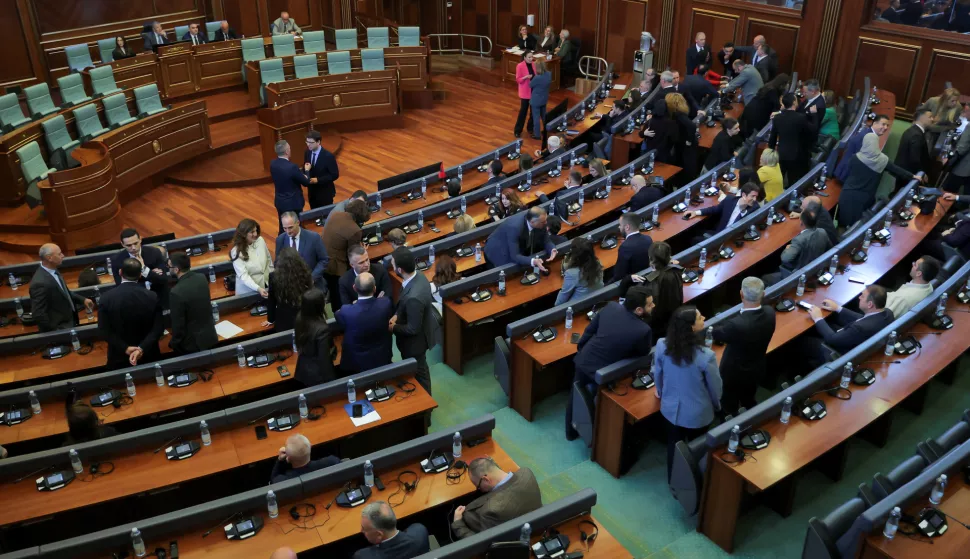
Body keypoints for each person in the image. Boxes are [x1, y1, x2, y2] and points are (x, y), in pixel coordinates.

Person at [566, 286, 654, 439]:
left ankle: (570, 432)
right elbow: (642, 353)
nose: (653, 306)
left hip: (584, 360)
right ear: (639, 310)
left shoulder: (611, 307)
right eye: (650, 304)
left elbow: (589, 330)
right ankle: (593, 436)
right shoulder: (643, 330)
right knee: (596, 403)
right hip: (606, 372)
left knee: (575, 397)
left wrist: (581, 349)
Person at [654, 306, 722, 480]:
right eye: (699, 317)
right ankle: (694, 483)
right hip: (697, 414)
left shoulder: (662, 345)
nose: (703, 317)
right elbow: (715, 387)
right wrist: (717, 405)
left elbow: (657, 373)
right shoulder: (706, 356)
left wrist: (660, 392)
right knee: (696, 450)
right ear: (691, 327)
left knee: (673, 446)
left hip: (670, 409)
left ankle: (672, 479)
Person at [712, 278, 775, 416]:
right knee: (749, 398)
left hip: (733, 375)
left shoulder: (736, 325)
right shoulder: (770, 313)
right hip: (757, 368)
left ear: (741, 294)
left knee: (728, 405)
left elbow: (717, 333)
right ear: (763, 294)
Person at [389, 248, 440, 393]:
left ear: (400, 270)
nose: (392, 266)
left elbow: (413, 328)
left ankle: (427, 404)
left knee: (420, 374)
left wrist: (393, 327)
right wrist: (397, 315)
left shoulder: (413, 297)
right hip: (421, 329)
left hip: (415, 344)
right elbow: (404, 304)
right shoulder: (419, 276)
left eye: (393, 264)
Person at [452, 457, 542, 539]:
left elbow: (482, 543)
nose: (479, 489)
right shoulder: (526, 472)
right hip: (538, 527)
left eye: (478, 486)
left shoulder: (490, 510)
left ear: (486, 479)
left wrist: (458, 523)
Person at [841, 133, 918, 228]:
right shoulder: (882, 160)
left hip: (847, 195)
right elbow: (898, 170)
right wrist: (913, 176)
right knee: (859, 227)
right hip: (865, 199)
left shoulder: (854, 158)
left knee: (845, 226)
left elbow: (849, 172)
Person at [804, 286, 894, 366]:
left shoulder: (859, 328)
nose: (859, 297)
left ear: (870, 304)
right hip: (852, 339)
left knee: (803, 341)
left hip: (839, 352)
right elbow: (862, 318)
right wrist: (838, 308)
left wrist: (818, 318)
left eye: (862, 296)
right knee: (829, 323)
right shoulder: (887, 314)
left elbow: (832, 339)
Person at [99, 258, 163, 368]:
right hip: (149, 354)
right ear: (140, 275)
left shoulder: (106, 298)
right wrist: (141, 348)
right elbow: (158, 328)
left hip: (119, 355)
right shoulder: (152, 296)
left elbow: (104, 330)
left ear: (120, 272)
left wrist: (125, 348)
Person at [336, 272, 394, 375]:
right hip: (382, 357)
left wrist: (353, 304)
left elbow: (338, 317)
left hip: (357, 363)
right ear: (374, 288)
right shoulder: (386, 303)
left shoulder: (346, 311)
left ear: (354, 288)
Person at [29, 244, 93, 332]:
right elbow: (38, 314)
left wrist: (83, 300)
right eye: (59, 254)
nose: (63, 256)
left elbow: (64, 292)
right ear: (49, 258)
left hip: (70, 322)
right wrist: (56, 332)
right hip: (60, 328)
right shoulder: (39, 283)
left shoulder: (53, 270)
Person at [323, 199, 369, 312]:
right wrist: (362, 250)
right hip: (336, 267)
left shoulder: (336, 215)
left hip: (324, 260)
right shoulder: (355, 230)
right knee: (339, 296)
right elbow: (353, 254)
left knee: (333, 292)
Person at [167, 252, 217, 355]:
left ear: (176, 269)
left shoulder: (175, 292)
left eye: (169, 267)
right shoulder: (201, 277)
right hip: (210, 335)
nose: (168, 269)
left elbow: (178, 325)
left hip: (192, 344)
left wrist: (173, 343)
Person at [767, 209, 833, 283]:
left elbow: (785, 258)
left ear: (801, 223)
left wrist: (787, 249)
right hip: (816, 269)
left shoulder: (799, 240)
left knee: (765, 278)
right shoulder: (822, 232)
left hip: (799, 275)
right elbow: (830, 249)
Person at [484, 206, 557, 269]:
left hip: (515, 245)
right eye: (543, 222)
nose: (546, 223)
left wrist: (552, 249)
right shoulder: (515, 228)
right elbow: (515, 256)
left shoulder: (540, 220)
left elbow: (546, 240)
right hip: (498, 251)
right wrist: (533, 261)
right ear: (532, 222)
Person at [111, 228, 169, 307]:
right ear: (122, 244)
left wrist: (143, 268)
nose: (133, 248)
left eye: (135, 243)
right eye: (129, 245)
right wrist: (150, 275)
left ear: (140, 239)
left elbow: (163, 279)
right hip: (134, 303)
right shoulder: (117, 260)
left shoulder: (154, 252)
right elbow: (121, 287)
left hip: (158, 300)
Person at [769, 93, 816, 186]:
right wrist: (814, 115)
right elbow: (812, 131)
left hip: (781, 153)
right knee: (793, 182)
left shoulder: (777, 118)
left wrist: (771, 152)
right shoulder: (801, 118)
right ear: (794, 102)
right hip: (796, 155)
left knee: (778, 180)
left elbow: (772, 139)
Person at [354, 501, 430, 559]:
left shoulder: (362, 556)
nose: (361, 531)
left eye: (364, 528)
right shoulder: (420, 532)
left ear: (379, 535)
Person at [271, 140, 316, 234]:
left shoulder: (273, 164)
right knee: (295, 228)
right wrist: (307, 170)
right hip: (293, 203)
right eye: (289, 148)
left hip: (280, 202)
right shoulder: (292, 167)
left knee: (283, 227)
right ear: (287, 151)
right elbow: (306, 182)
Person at [294, 288, 337, 386]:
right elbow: (324, 360)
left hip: (302, 369)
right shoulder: (322, 330)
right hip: (317, 376)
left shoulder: (300, 317)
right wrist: (332, 383)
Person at [276, 211, 329, 292]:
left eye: (290, 227)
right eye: (285, 228)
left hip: (312, 286)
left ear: (298, 223)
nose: (288, 231)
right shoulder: (280, 239)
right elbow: (277, 262)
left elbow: (324, 260)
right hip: (291, 288)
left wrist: (312, 279)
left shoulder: (314, 238)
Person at [265, 247, 312, 332]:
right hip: (303, 317)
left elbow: (271, 300)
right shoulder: (305, 273)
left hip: (283, 320)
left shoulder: (273, 276)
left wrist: (270, 319)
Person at [835, 114, 890, 182]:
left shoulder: (868, 132)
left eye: (887, 125)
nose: (886, 127)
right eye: (883, 124)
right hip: (847, 175)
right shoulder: (866, 136)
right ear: (875, 123)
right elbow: (861, 160)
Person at [687, 182, 761, 233]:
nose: (755, 199)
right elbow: (714, 209)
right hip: (720, 235)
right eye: (752, 196)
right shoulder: (730, 200)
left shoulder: (755, 207)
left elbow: (750, 226)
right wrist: (695, 212)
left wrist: (743, 209)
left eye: (756, 197)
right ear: (744, 195)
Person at [270, 433, 339, 483]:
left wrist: (279, 460)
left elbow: (274, 479)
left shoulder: (284, 480)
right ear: (310, 447)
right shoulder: (332, 462)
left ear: (288, 459)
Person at [230, 218, 273, 297]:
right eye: (252, 232)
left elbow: (269, 260)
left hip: (266, 284)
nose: (255, 234)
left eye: (256, 230)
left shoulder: (260, 240)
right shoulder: (236, 251)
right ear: (243, 234)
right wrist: (258, 288)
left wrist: (273, 279)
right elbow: (244, 276)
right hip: (248, 291)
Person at [555, 237, 603, 305]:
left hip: (579, 306)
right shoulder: (598, 263)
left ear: (575, 256)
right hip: (598, 300)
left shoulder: (572, 273)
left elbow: (559, 303)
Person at [894, 106, 933, 190]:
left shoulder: (911, 130)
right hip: (909, 174)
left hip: (903, 172)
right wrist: (921, 173)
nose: (932, 119)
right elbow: (914, 158)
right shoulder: (917, 135)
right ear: (922, 118)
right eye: (930, 117)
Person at [739, 73, 789, 137]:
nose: (787, 85)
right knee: (751, 134)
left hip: (751, 109)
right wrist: (784, 105)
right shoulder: (772, 91)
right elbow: (777, 106)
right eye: (787, 83)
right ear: (782, 84)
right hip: (756, 114)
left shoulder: (769, 86)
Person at [303, 131, 339, 209]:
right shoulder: (307, 152)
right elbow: (305, 167)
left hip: (325, 193)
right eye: (307, 142)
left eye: (311, 142)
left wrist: (318, 180)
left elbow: (335, 175)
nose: (308, 144)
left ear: (318, 142)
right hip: (312, 192)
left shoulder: (328, 156)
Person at [613, 212, 653, 281]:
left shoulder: (625, 247)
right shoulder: (648, 239)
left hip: (633, 281)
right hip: (648, 277)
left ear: (627, 227)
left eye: (620, 225)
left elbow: (619, 275)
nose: (619, 227)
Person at [668, 92, 699, 179]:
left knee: (687, 164)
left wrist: (689, 141)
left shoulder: (679, 115)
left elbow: (692, 126)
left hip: (686, 144)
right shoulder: (680, 113)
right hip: (683, 142)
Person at [640, 99, 677, 164]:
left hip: (650, 152)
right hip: (664, 153)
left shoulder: (650, 121)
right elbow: (674, 139)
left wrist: (644, 133)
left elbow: (641, 135)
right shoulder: (671, 123)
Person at [513, 51, 536, 139]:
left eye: (532, 57)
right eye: (529, 57)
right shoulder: (520, 66)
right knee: (523, 112)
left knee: (533, 112)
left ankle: (530, 128)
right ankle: (517, 130)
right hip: (525, 92)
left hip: (534, 91)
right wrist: (526, 77)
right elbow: (518, 80)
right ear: (525, 58)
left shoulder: (533, 64)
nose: (531, 59)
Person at [945, 118, 970, 194]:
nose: (965, 115)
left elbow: (962, 148)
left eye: (966, 112)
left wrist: (949, 159)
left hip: (962, 166)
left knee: (948, 192)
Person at [530, 61, 552, 139]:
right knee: (544, 116)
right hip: (544, 98)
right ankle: (547, 131)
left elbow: (530, 85)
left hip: (536, 100)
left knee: (536, 117)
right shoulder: (549, 74)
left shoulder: (537, 78)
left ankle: (537, 135)